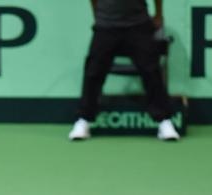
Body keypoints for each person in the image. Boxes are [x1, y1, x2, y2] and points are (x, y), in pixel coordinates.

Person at [68, 0, 181, 141]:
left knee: (151, 71)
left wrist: (159, 15)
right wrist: (97, 17)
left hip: (139, 25)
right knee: (93, 72)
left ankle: (164, 121)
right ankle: (83, 120)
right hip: (106, 26)